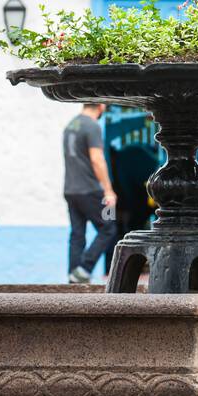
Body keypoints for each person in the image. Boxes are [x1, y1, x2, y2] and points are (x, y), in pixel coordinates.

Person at [64, 102, 118, 284]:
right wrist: (108, 190)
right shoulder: (92, 125)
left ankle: (74, 277)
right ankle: (84, 268)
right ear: (101, 105)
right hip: (90, 190)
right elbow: (97, 159)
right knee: (108, 227)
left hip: (71, 190)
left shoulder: (71, 125)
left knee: (77, 234)